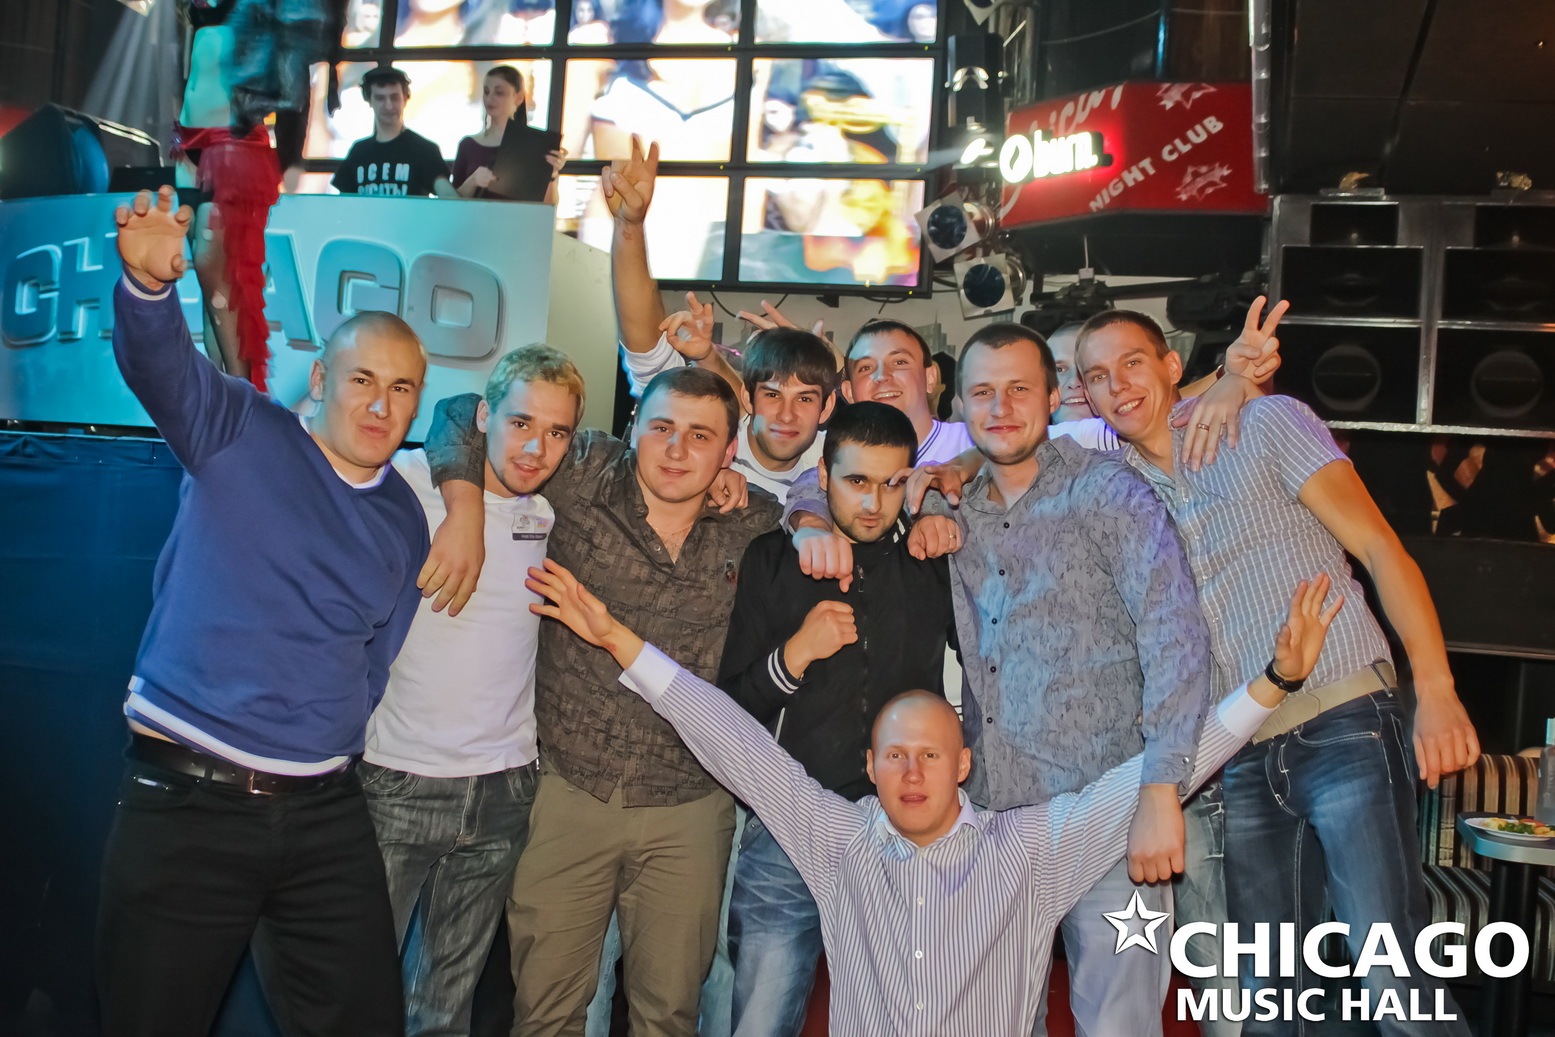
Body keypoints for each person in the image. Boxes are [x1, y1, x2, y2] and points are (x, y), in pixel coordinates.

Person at [524, 557, 1345, 1036]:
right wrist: (616, 639)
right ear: (871, 766)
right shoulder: (837, 838)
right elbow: (733, 740)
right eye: (894, 756)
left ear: (962, 765)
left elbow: (1159, 770)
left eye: (929, 755)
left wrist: (1275, 681)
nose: (911, 772)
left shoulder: (1030, 848)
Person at [1074, 301, 1482, 1037]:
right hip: (1242, 755)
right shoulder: (1118, 489)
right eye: (1097, 376)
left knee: (1392, 974)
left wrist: (1436, 686)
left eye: (1133, 362)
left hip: (1345, 720)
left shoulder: (1264, 423)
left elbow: (1380, 547)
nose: (1117, 385)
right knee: (1268, 997)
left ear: (1171, 366)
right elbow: (1004, 444)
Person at [96, 187, 429, 1036]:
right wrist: (147, 287)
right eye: (362, 379)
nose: (380, 405)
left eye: (401, 388)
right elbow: (159, 366)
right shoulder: (239, 427)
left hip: (324, 814)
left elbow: (374, 660)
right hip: (189, 804)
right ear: (321, 379)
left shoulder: (404, 517)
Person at [425, 366, 782, 1037]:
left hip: (689, 802)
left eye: (700, 436)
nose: (676, 449)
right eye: (662, 427)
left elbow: (820, 503)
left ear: (729, 451)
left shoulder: (754, 520)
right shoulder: (583, 470)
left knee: (667, 1014)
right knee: (545, 1011)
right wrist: (464, 510)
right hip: (570, 792)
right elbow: (459, 413)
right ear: (632, 428)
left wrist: (814, 515)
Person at [717, 400, 957, 1037]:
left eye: (892, 483)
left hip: (906, 834)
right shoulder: (774, 557)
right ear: (822, 476)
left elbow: (995, 666)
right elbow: (732, 708)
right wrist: (795, 654)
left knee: (908, 1022)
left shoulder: (932, 560)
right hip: (791, 827)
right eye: (856, 481)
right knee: (761, 1021)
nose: (874, 503)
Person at [363, 345, 584, 1036]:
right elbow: (448, 411)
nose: (536, 448)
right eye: (520, 422)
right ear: (485, 417)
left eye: (556, 432)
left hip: (503, 790)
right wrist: (463, 509)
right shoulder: (408, 482)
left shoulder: (550, 509)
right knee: (353, 999)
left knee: (443, 1010)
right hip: (397, 780)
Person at [333, 67, 455, 198]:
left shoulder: (425, 150)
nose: (388, 106)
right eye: (380, 98)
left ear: (405, 99)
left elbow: (449, 197)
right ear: (369, 100)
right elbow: (342, 204)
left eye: (394, 98)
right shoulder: (358, 152)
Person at [451, 65, 566, 203]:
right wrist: (473, 181)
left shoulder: (535, 146)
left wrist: (552, 174)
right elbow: (451, 202)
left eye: (499, 93)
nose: (490, 98)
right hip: (476, 217)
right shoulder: (468, 145)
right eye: (486, 92)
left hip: (519, 217)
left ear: (518, 98)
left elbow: (549, 205)